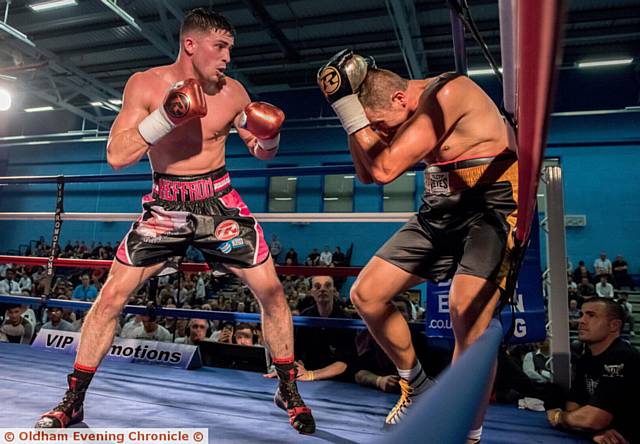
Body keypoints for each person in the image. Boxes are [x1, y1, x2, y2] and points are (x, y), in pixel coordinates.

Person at [36, 9, 314, 434]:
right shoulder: (145, 84)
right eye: (219, 48)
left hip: (219, 204)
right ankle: (73, 401)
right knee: (110, 298)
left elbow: (262, 151)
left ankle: (287, 387)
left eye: (229, 49)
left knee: (274, 292)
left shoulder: (234, 91)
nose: (226, 58)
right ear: (191, 44)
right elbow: (116, 155)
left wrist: (271, 136)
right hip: (166, 206)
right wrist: (166, 116)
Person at [318, 49, 517, 442]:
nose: (382, 135)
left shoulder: (447, 93)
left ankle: (466, 434)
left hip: (489, 206)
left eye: (380, 125)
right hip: (439, 209)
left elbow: (386, 168)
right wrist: (350, 116)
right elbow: (366, 174)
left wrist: (350, 109)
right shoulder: (396, 113)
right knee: (366, 294)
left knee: (467, 313)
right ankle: (415, 384)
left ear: (399, 99)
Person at [546, 297, 640, 443]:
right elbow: (574, 406)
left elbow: (592, 419)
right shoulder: (586, 358)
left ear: (614, 325)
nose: (581, 321)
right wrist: (589, 425)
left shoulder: (623, 356)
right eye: (581, 315)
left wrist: (559, 417)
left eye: (591, 315)